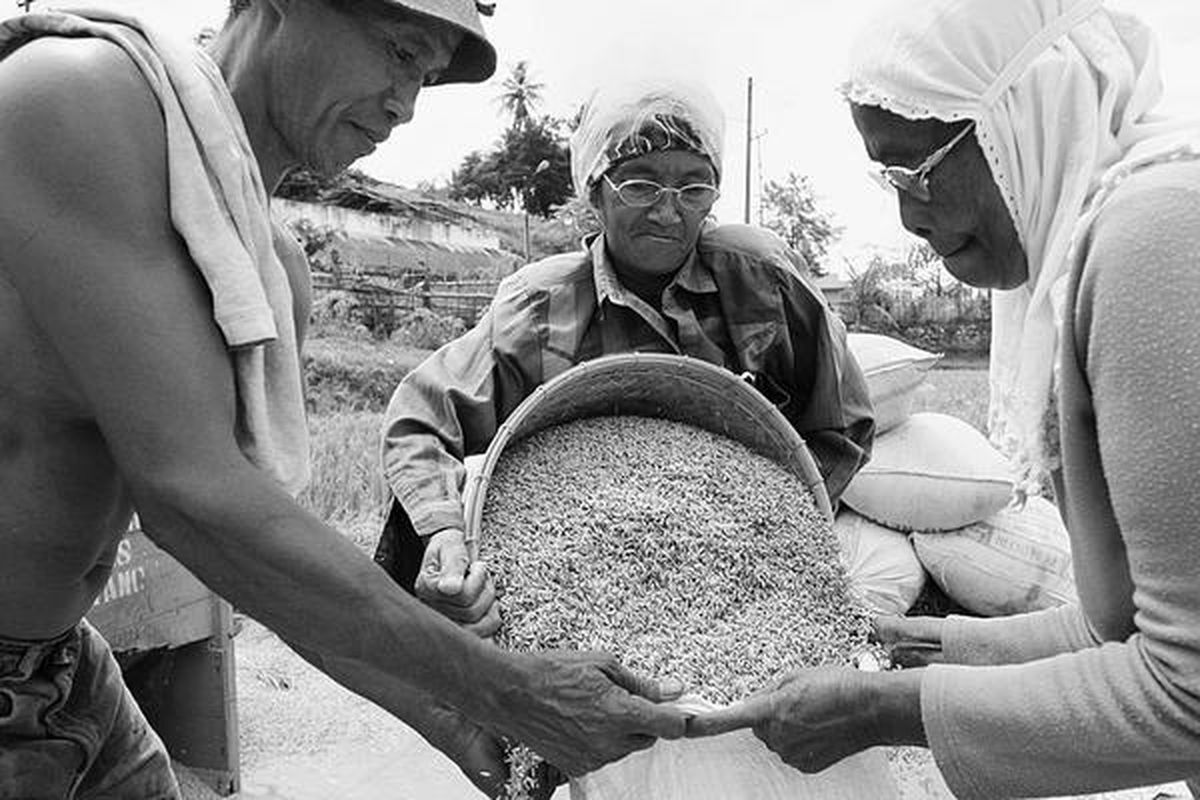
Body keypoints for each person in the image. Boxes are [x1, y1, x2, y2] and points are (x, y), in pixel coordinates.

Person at [0, 2, 690, 798]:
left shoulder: (268, 270)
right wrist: (505, 685)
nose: (405, 103)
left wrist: (451, 718)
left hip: (56, 666)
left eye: (424, 76)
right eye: (398, 51)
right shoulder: (79, 98)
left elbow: (248, 553)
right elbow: (188, 497)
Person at [688, 0, 1200, 797]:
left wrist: (885, 709)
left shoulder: (1156, 237)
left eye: (915, 170)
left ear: (1024, 115)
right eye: (883, 175)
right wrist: (933, 645)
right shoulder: (1082, 243)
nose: (906, 215)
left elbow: (1188, 691)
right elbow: (1125, 627)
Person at [375, 77, 874, 635]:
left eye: (694, 189)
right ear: (595, 191)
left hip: (735, 555)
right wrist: (444, 531)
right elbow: (421, 418)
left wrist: (779, 527)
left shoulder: (760, 280)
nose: (668, 212)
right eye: (640, 185)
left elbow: (842, 422)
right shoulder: (542, 305)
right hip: (572, 554)